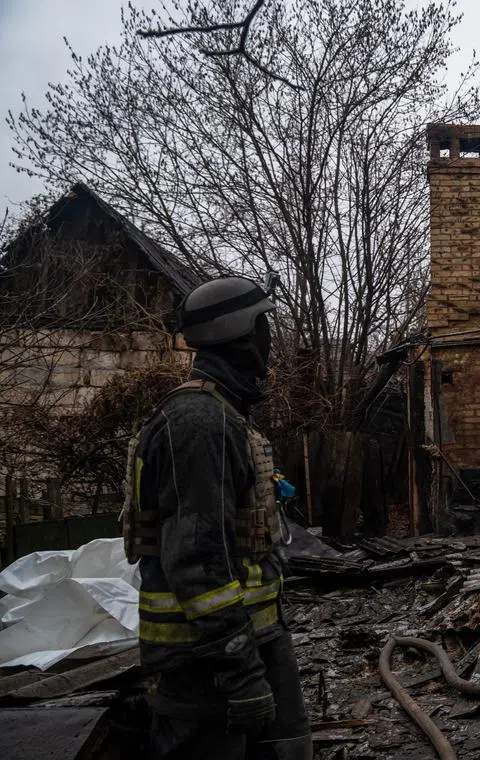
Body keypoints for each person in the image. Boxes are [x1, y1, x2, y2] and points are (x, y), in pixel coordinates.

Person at [121, 275, 312, 759]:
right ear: (243, 335)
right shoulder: (199, 424)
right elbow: (199, 562)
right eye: (264, 325)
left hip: (251, 641)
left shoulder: (223, 413)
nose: (271, 340)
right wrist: (239, 671)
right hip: (204, 662)